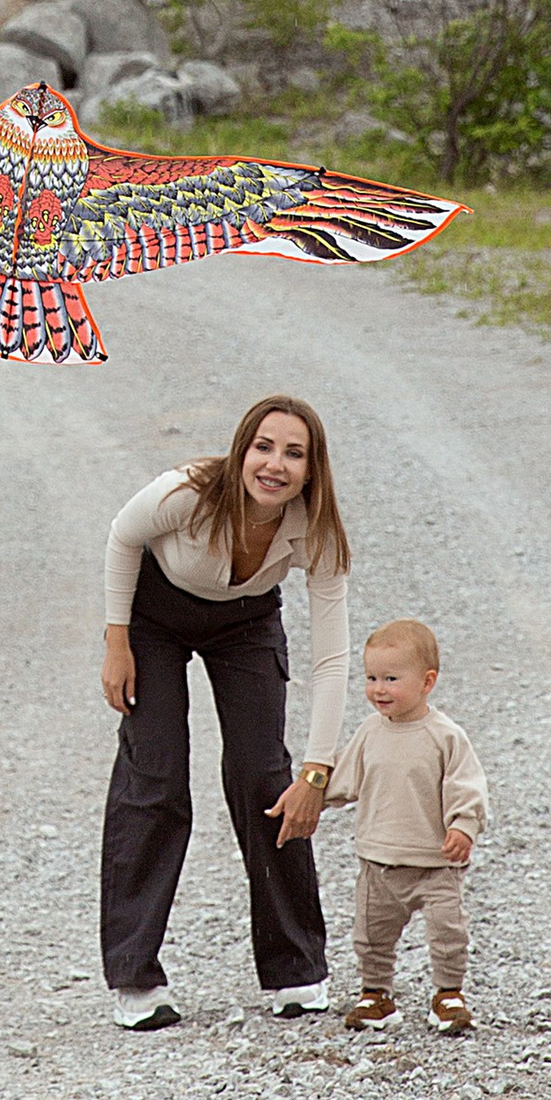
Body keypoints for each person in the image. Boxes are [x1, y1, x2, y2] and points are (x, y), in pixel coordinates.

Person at [98, 393, 351, 1030]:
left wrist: (317, 772)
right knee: (156, 775)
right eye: (263, 447)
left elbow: (332, 659)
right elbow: (124, 534)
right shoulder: (188, 492)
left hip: (246, 622)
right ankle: (135, 978)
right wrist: (116, 640)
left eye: (293, 454)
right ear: (242, 450)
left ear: (311, 470)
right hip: (155, 615)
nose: (275, 465)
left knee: (265, 776)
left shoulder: (315, 529)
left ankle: (295, 969)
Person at [278, 616, 485, 1034]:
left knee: (448, 933)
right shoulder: (370, 733)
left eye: (391, 679)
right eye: (371, 678)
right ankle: (376, 994)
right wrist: (310, 795)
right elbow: (342, 777)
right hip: (378, 862)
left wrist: (463, 826)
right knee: (371, 935)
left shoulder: (445, 736)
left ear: (427, 682)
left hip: (435, 864)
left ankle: (449, 994)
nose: (379, 689)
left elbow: (466, 784)